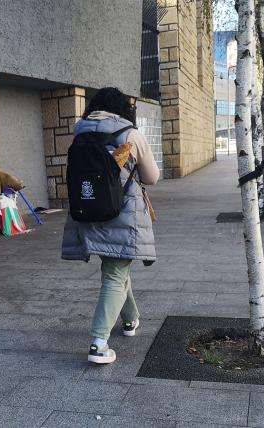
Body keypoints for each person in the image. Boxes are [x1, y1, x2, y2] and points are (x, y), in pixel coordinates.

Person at [61, 87, 160, 364]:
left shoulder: (80, 132)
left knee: (116, 267)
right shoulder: (130, 134)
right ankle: (98, 343)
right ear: (123, 109)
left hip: (88, 209)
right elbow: (151, 177)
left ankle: (130, 320)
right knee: (115, 273)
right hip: (121, 213)